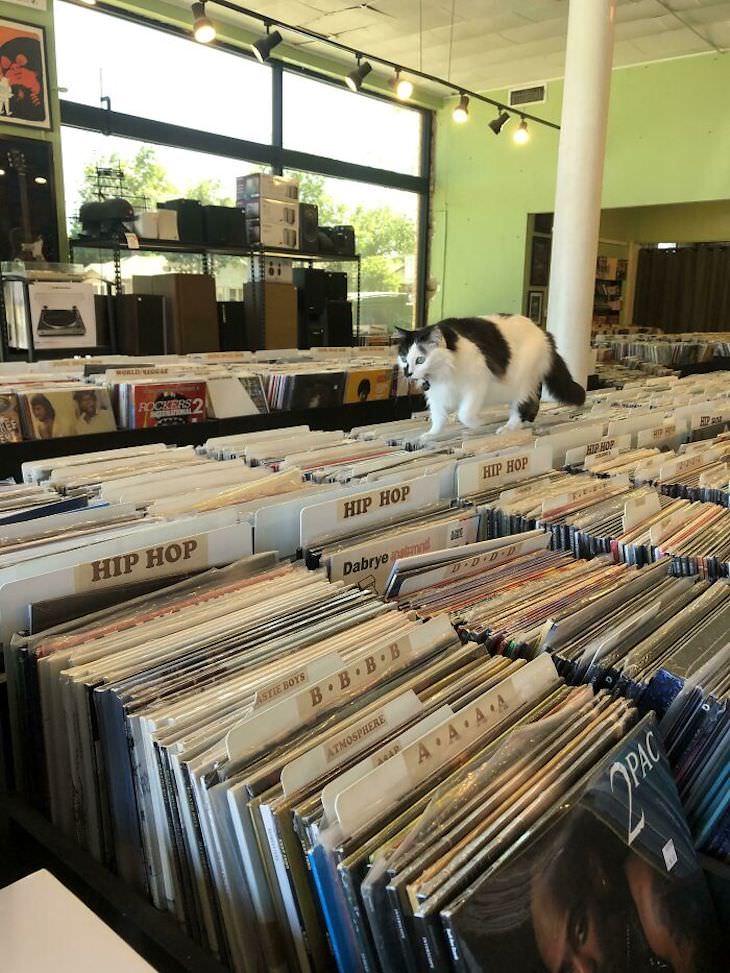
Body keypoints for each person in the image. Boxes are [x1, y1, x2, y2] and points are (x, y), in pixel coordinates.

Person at [530, 809, 724, 973]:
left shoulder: (655, 902)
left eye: (580, 931)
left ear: (597, 874)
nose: (585, 970)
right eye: (568, 969)